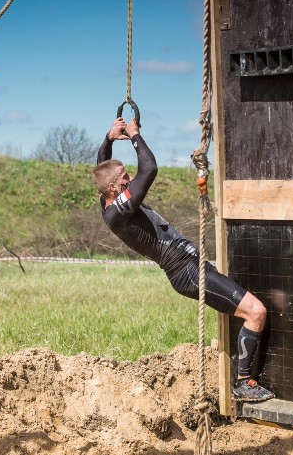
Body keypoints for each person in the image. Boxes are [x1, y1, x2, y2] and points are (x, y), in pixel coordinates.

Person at [93, 117, 274, 402]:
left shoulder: (109, 200)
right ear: (114, 189)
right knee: (256, 311)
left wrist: (109, 139)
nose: (130, 180)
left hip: (191, 267)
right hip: (187, 273)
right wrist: (136, 136)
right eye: (125, 178)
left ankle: (242, 379)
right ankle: (242, 383)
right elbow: (149, 168)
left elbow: (101, 171)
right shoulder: (118, 213)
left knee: (247, 311)